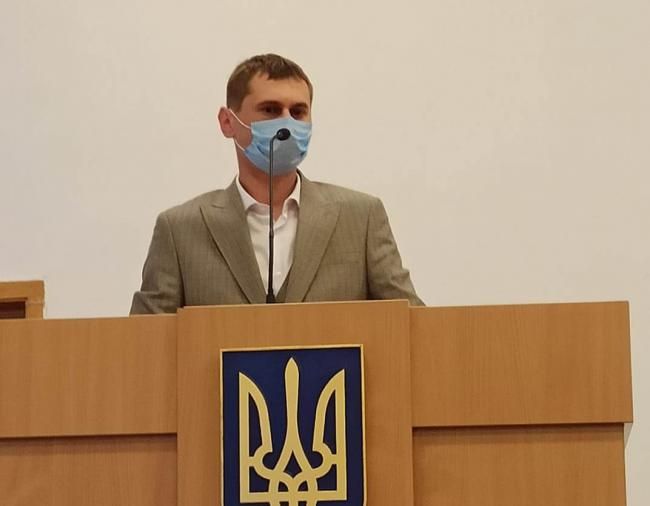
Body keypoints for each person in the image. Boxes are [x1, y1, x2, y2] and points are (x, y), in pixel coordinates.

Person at [130, 54, 423, 314]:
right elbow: (143, 343)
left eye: (298, 112)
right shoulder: (179, 230)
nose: (287, 124)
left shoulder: (361, 218)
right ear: (228, 122)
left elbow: (414, 325)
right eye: (270, 110)